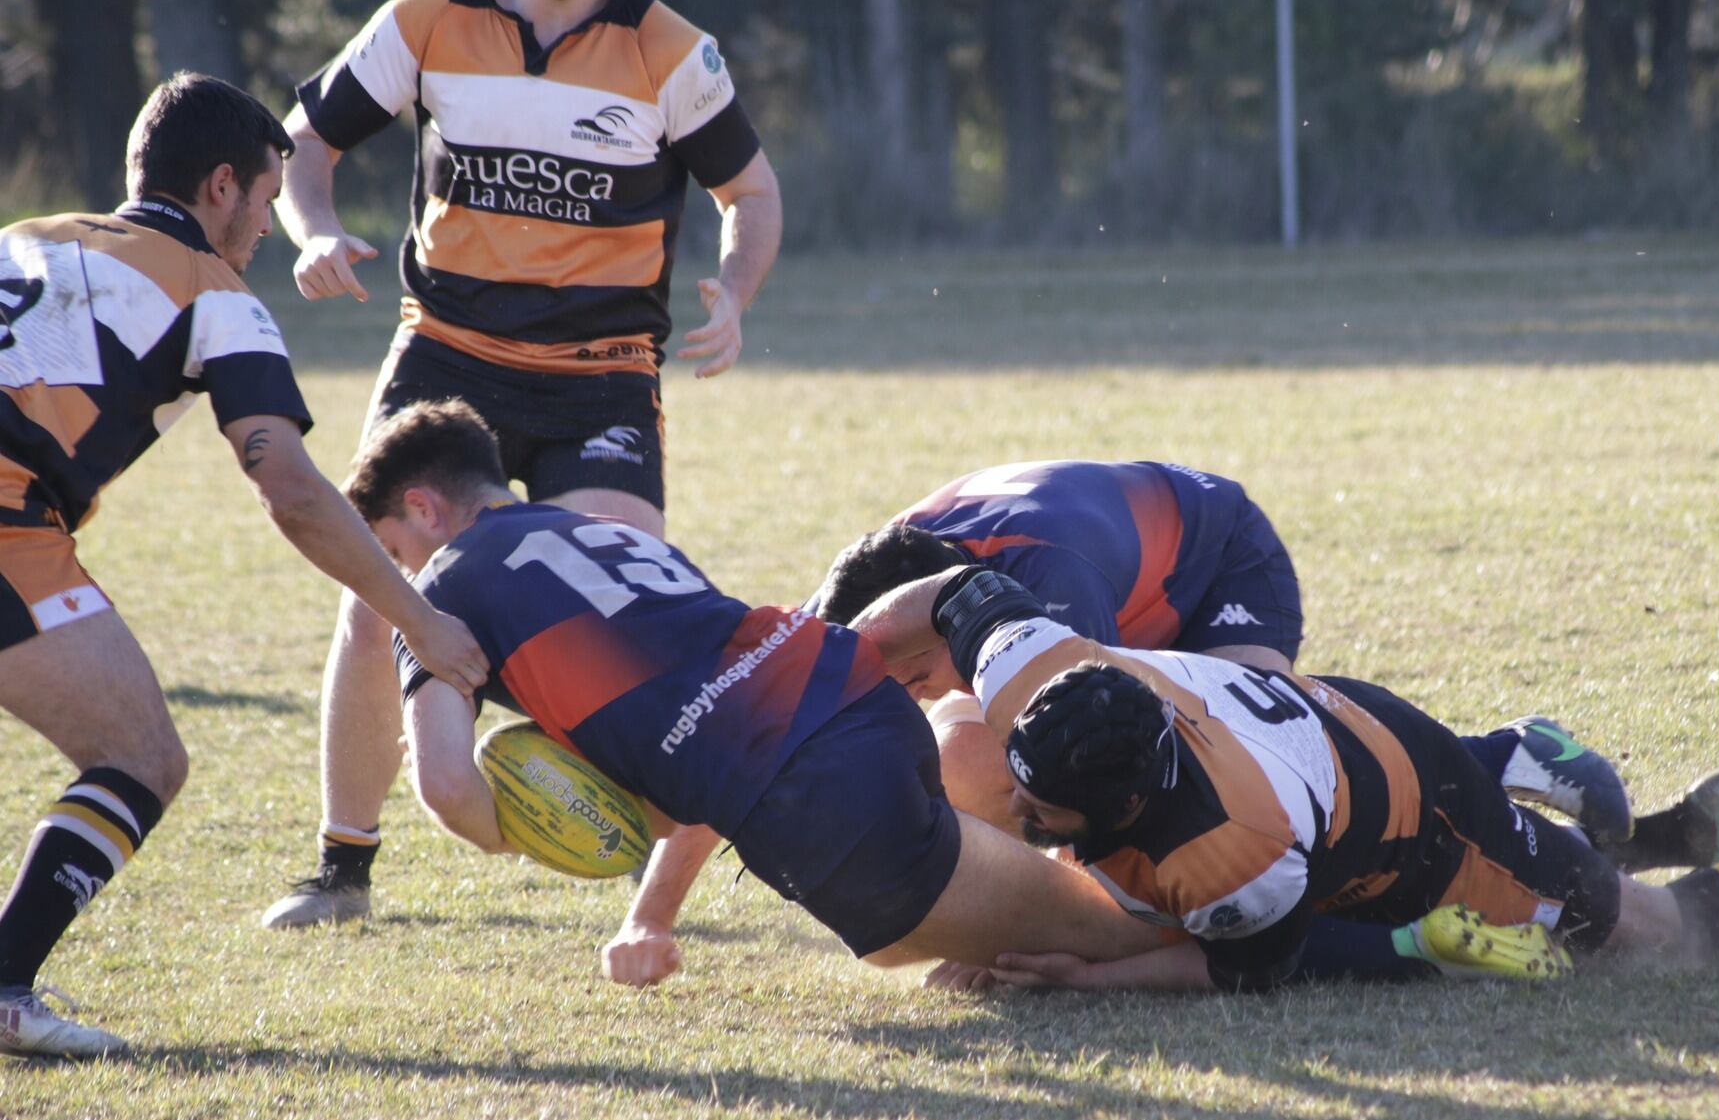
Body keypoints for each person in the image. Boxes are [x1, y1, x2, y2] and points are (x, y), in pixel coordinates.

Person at [341, 399, 1204, 985]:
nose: (397, 581)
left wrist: (523, 830)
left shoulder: (444, 588)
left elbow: (450, 788)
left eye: (392, 552)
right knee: (921, 946)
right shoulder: (593, 528)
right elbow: (721, 716)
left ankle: (1297, 928)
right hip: (856, 697)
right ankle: (1148, 889)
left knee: (1110, 941)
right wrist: (651, 915)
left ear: (424, 509)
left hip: (821, 798)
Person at [261, 0, 782, 928]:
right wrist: (315, 230)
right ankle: (343, 867)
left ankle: (644, 836)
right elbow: (304, 143)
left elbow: (748, 188)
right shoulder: (424, 21)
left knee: (624, 594)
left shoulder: (669, 49)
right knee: (377, 596)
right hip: (448, 353)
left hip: (603, 370)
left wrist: (737, 292)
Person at [855, 566, 1719, 994]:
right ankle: (1677, 819)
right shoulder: (1039, 672)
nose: (1021, 812)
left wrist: (1081, 979)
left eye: (1044, 812)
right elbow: (955, 588)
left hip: (1411, 812)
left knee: (1640, 934)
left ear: (1122, 807)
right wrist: (836, 661)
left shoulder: (1228, 854)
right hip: (1320, 742)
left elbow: (1251, 961)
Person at [0, 75, 489, 1058]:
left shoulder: (28, 234)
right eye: (268, 198)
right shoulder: (214, 294)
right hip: (10, 524)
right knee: (143, 758)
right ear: (221, 187)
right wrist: (419, 617)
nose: (268, 224)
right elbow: (295, 490)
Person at [813, 458, 1633, 843]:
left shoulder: (1048, 575)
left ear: (940, 616)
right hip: (1111, 577)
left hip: (1223, 560)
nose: (916, 694)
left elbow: (1086, 764)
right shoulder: (868, 594)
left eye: (916, 677)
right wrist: (673, 904)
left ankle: (1507, 754)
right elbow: (752, 715)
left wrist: (1008, 929)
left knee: (1268, 744)